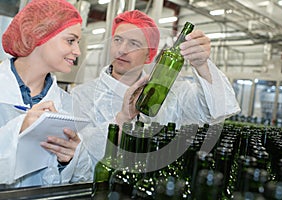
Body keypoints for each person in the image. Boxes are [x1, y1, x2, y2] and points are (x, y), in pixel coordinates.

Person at [71, 10, 241, 163]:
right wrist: (121, 119)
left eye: (134, 43)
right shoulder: (82, 95)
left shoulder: (173, 94)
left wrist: (202, 64)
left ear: (149, 55)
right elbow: (76, 158)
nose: (122, 50)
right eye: (118, 40)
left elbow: (216, 110)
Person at [0, 0, 92, 188]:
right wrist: (19, 128)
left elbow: (84, 178)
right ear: (40, 34)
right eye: (70, 40)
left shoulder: (67, 103)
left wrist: (69, 159)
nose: (77, 51)